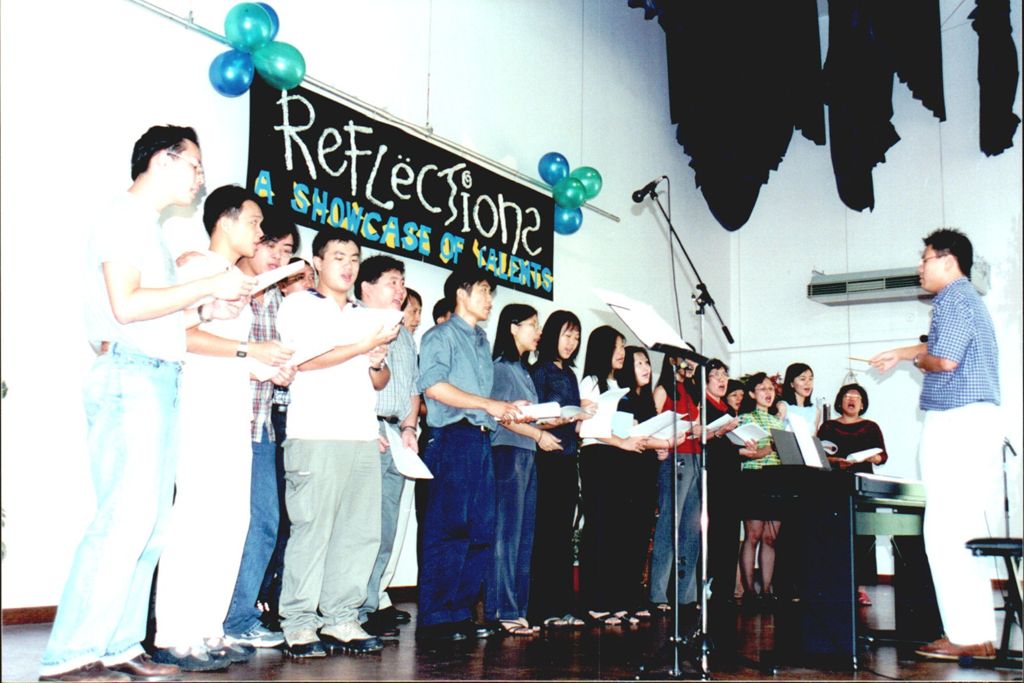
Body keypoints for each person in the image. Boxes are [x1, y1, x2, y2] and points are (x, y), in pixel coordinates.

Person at [39, 126, 255, 683]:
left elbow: (163, 317)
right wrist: (205, 291)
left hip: (158, 376)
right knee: (122, 521)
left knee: (151, 525)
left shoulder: (150, 230)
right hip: (131, 376)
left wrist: (207, 310)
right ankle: (72, 655)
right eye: (196, 166)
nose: (201, 178)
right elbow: (128, 305)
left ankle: (119, 645)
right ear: (163, 160)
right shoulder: (124, 218)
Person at [870, 228, 1001, 661]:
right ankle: (975, 634)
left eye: (925, 259)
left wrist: (919, 359)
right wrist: (906, 352)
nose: (919, 267)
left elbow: (943, 359)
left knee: (945, 532)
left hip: (957, 423)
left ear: (948, 261)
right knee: (963, 531)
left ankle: (967, 635)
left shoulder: (952, 299)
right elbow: (941, 349)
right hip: (972, 421)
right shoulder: (967, 299)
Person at [275, 231, 399, 658]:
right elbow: (303, 361)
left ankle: (341, 618)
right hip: (314, 433)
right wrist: (363, 346)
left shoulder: (368, 315)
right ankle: (298, 623)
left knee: (359, 533)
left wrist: (377, 361)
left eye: (354, 258)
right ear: (317, 262)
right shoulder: (299, 306)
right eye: (338, 257)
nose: (348, 265)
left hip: (362, 434)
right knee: (312, 532)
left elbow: (378, 381)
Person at [415, 263, 520, 644]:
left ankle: (459, 612)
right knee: (448, 530)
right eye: (484, 291)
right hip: (452, 438)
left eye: (492, 293)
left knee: (479, 530)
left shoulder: (481, 341)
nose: (490, 300)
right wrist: (487, 404)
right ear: (462, 292)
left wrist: (503, 407)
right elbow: (434, 387)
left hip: (480, 440)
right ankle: (436, 615)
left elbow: (484, 403)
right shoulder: (439, 336)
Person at [221, 212, 300, 649]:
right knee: (221, 523)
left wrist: (280, 369)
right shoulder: (227, 286)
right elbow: (207, 348)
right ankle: (211, 620)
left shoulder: (273, 299)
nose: (277, 256)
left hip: (262, 423)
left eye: (287, 251)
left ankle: (238, 618)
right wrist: (260, 364)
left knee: (266, 523)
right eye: (271, 245)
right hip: (224, 419)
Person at [353, 256, 421, 640]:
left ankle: (370, 602)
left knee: (386, 527)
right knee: (360, 528)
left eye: (402, 282)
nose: (401, 290)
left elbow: (412, 388)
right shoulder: (354, 323)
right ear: (366, 287)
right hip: (365, 430)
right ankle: (351, 608)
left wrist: (410, 426)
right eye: (392, 282)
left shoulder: (405, 334)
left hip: (396, 434)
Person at [485, 304, 562, 636]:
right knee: (507, 534)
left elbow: (524, 413)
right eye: (532, 324)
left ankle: (518, 608)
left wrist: (553, 419)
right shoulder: (502, 368)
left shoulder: (523, 369)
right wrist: (539, 434)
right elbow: (503, 416)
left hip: (526, 453)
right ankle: (502, 609)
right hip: (508, 452)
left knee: (523, 536)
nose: (538, 331)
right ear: (512, 327)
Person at [577, 327, 651, 626]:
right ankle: (595, 602)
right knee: (599, 529)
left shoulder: (617, 383)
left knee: (618, 533)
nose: (622, 352)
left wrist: (631, 430)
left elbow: (619, 426)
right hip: (598, 457)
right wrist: (622, 440)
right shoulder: (590, 382)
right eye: (618, 346)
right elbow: (587, 428)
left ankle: (617, 599)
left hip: (619, 458)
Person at [527, 311, 589, 630]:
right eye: (566, 335)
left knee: (564, 533)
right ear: (552, 335)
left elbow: (570, 419)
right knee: (546, 533)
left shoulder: (571, 375)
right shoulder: (540, 371)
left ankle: (564, 604)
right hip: (546, 457)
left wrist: (581, 416)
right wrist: (563, 419)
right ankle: (543, 607)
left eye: (576, 337)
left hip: (567, 457)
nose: (572, 343)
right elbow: (533, 417)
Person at [817, 383, 888, 606]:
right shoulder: (828, 427)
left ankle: (861, 588)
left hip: (863, 484)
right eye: (848, 395)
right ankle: (834, 585)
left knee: (863, 536)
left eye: (857, 397)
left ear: (863, 403)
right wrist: (836, 461)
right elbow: (819, 454)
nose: (852, 399)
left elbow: (882, 456)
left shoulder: (871, 426)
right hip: (834, 483)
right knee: (834, 534)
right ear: (840, 401)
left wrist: (869, 458)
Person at [648, 354, 702, 614]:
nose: (689, 366)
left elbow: (698, 427)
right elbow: (653, 426)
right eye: (684, 360)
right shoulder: (662, 390)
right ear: (672, 361)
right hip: (673, 458)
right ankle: (658, 593)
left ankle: (686, 593)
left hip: (695, 457)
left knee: (692, 527)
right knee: (670, 524)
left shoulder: (692, 391)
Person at [736, 372, 785, 608]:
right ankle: (749, 591)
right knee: (752, 535)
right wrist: (769, 449)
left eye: (771, 389)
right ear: (752, 393)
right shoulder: (745, 419)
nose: (768, 393)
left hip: (776, 479)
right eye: (762, 389)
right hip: (753, 478)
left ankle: (766, 590)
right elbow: (748, 453)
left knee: (770, 537)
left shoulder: (779, 423)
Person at [778, 363, 820, 434]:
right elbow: (776, 435)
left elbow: (814, 439)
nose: (808, 383)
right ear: (791, 383)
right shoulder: (783, 406)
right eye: (802, 379)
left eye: (810, 379)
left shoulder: (815, 411)